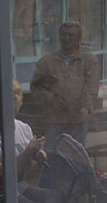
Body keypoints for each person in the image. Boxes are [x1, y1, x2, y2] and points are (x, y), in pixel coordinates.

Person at [31, 21, 100, 150]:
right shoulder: (47, 62)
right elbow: (35, 87)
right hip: (54, 120)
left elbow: (91, 88)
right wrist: (50, 98)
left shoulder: (89, 61)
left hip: (78, 121)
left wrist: (85, 107)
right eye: (63, 35)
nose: (66, 38)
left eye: (70, 35)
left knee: (76, 159)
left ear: (79, 37)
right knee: (51, 158)